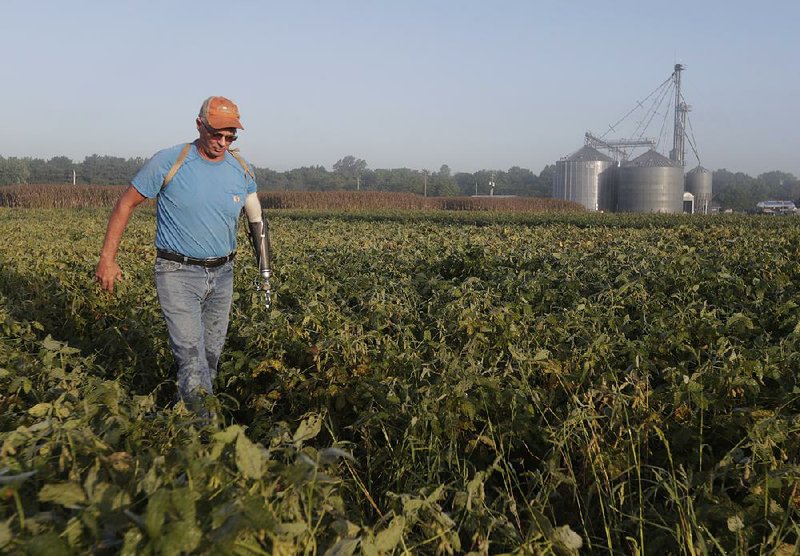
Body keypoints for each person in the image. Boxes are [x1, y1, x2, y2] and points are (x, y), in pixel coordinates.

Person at [95, 96, 271, 414]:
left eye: (230, 137)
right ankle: (205, 436)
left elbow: (256, 218)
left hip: (223, 274)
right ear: (199, 124)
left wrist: (265, 272)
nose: (222, 142)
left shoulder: (241, 169)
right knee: (192, 359)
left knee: (209, 358)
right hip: (177, 272)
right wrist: (108, 258)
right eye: (215, 134)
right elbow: (125, 204)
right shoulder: (170, 161)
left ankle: (181, 421)